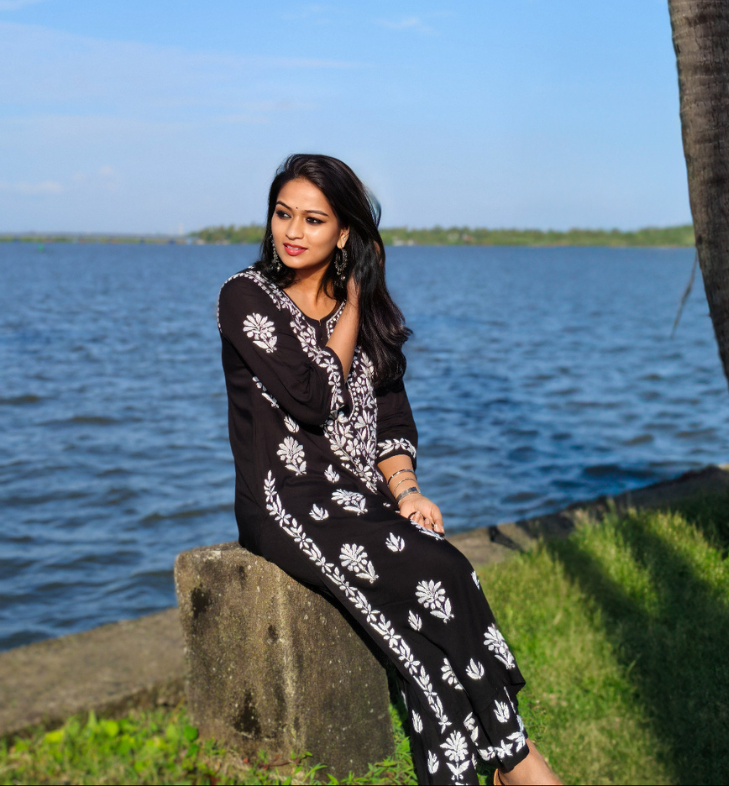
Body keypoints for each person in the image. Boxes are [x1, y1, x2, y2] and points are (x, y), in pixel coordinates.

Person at [217, 154, 560, 786]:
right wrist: (350, 302)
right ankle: (517, 761)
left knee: (428, 633)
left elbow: (393, 416)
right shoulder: (246, 297)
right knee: (442, 571)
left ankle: (466, 771)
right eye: (283, 214)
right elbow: (314, 396)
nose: (292, 231)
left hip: (363, 501)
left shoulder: (368, 312)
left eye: (313, 220)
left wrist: (406, 490)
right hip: (287, 503)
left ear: (343, 232)